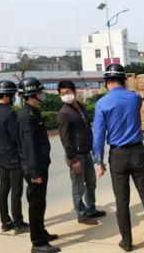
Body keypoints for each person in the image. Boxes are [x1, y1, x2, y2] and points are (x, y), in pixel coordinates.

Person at [93, 64, 144, 252]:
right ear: (124, 80)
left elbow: (98, 136)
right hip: (137, 153)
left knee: (121, 201)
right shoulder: (135, 98)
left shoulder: (102, 103)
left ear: (106, 82)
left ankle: (127, 243)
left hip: (117, 156)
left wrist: (99, 161)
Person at [18, 77, 61, 253]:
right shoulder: (27, 117)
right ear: (32, 94)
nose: (42, 94)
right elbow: (29, 147)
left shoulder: (34, 112)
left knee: (40, 202)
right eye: (40, 92)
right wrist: (35, 172)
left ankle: (41, 232)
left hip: (40, 165)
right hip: (34, 169)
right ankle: (38, 243)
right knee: (36, 204)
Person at [56, 80, 106, 225]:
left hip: (86, 152)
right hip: (76, 155)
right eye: (62, 93)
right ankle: (82, 215)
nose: (65, 95)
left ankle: (91, 209)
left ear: (74, 91)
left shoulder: (81, 108)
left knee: (91, 183)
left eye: (68, 92)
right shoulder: (63, 113)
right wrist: (73, 159)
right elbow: (64, 138)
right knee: (78, 186)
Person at [0, 80, 30, 234]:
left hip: (1, 157)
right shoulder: (9, 113)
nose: (13, 98)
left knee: (4, 189)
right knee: (16, 191)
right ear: (6, 95)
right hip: (13, 157)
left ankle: (5, 221)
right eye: (12, 95)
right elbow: (16, 137)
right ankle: (18, 223)